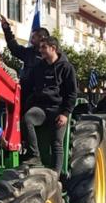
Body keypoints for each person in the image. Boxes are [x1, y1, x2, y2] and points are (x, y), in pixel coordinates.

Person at [21, 37, 78, 172]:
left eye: (43, 47)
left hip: (58, 110)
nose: (40, 50)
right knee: (27, 119)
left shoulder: (67, 68)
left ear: (53, 48)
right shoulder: (38, 67)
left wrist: (65, 114)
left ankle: (56, 177)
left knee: (56, 143)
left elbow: (72, 93)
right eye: (40, 47)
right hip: (41, 109)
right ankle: (34, 155)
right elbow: (27, 84)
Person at [0, 15, 50, 82]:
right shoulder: (29, 52)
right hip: (26, 90)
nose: (32, 37)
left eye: (34, 36)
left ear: (42, 37)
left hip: (42, 91)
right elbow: (14, 47)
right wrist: (6, 29)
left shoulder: (51, 56)